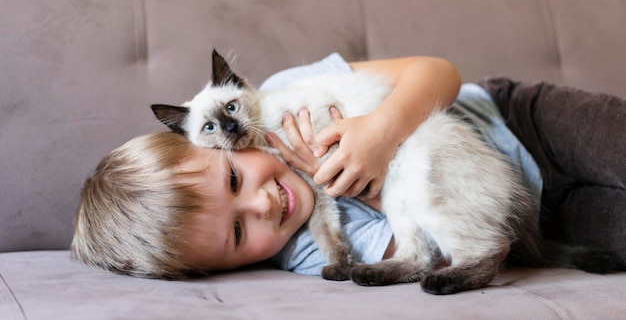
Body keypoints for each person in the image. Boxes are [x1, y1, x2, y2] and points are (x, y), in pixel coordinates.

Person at [71, 53, 626, 279]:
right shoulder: (313, 249)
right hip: (531, 215)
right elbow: (430, 245)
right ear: (231, 268)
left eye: (235, 178)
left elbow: (436, 71)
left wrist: (382, 133)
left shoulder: (286, 91)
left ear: (215, 146)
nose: (264, 204)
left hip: (516, 119)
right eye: (239, 232)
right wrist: (364, 185)